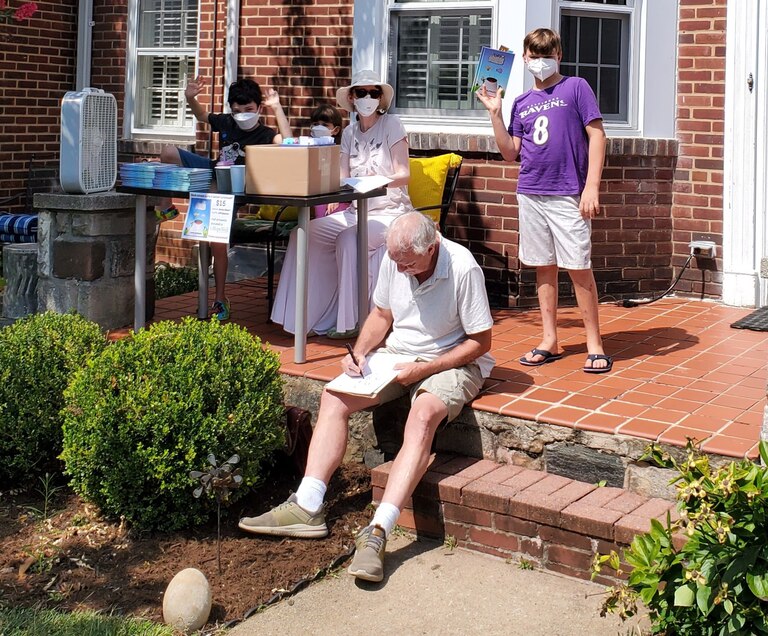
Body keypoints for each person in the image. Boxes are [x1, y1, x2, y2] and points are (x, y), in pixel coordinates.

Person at [239, 211, 495, 582]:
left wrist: (424, 370)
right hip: (398, 356)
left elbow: (480, 342)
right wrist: (359, 353)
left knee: (421, 415)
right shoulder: (396, 260)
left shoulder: (463, 268)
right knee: (333, 395)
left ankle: (378, 532)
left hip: (451, 360)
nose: (402, 270)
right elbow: (380, 313)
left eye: (409, 263)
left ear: (432, 246)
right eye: (396, 262)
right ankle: (307, 505)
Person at [476, 28, 612, 374]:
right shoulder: (521, 102)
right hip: (531, 192)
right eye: (534, 56)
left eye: (546, 54)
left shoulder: (576, 87)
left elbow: (597, 136)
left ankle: (594, 343)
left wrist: (591, 187)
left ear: (559, 55)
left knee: (579, 266)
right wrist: (495, 112)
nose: (540, 61)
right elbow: (510, 153)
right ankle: (549, 339)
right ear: (524, 58)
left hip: (568, 191)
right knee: (543, 266)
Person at [269, 70, 414, 338]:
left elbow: (404, 174)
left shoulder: (392, 125)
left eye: (374, 93)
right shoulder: (348, 132)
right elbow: (342, 177)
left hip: (390, 212)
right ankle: (304, 319)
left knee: (349, 240)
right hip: (355, 211)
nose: (368, 97)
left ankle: (353, 323)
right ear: (351, 97)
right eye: (362, 92)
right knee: (303, 234)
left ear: (381, 98)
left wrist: (376, 180)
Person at [158, 76, 292, 321]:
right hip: (213, 173)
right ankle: (167, 208)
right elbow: (202, 116)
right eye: (237, 110)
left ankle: (219, 299)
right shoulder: (227, 122)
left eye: (248, 110)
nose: (242, 115)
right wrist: (190, 97)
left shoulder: (264, 134)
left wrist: (277, 107)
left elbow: (289, 144)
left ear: (259, 108)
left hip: (234, 189)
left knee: (216, 243)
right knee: (167, 152)